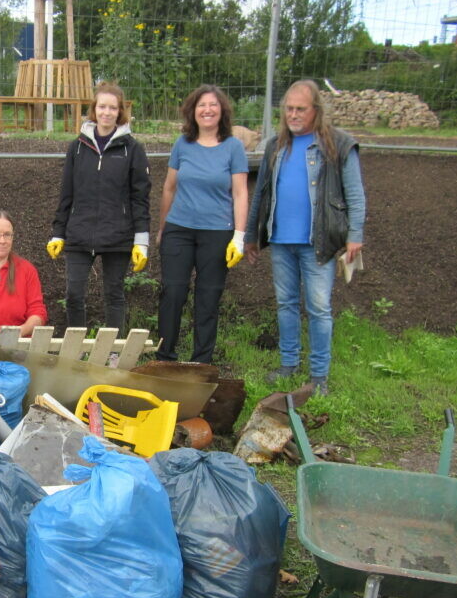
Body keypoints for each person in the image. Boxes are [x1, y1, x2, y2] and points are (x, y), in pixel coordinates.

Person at [245, 79, 365, 396]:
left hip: (318, 243)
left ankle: (319, 377)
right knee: (286, 304)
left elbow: (355, 193)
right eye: (289, 109)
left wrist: (355, 234)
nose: (293, 115)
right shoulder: (276, 146)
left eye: (300, 109)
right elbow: (261, 194)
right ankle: (288, 365)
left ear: (316, 111)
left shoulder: (337, 145)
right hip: (282, 241)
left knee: (318, 308)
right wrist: (252, 236)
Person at [48, 82, 150, 335]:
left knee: (114, 295)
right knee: (73, 294)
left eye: (112, 108)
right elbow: (66, 193)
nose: (106, 112)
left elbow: (140, 197)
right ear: (94, 110)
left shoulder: (132, 149)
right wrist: (58, 232)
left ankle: (112, 352)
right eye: (102, 106)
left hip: (118, 234)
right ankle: (77, 348)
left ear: (120, 112)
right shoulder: (78, 147)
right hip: (79, 232)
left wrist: (141, 241)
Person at [155, 84, 248, 363]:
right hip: (179, 230)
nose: (207, 110)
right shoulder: (182, 144)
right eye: (201, 106)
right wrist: (162, 228)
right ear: (192, 112)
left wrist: (239, 237)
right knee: (173, 292)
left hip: (217, 233)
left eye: (213, 105)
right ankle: (165, 357)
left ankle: (201, 362)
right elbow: (169, 188)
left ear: (222, 111)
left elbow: (241, 193)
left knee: (208, 298)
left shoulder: (233, 147)